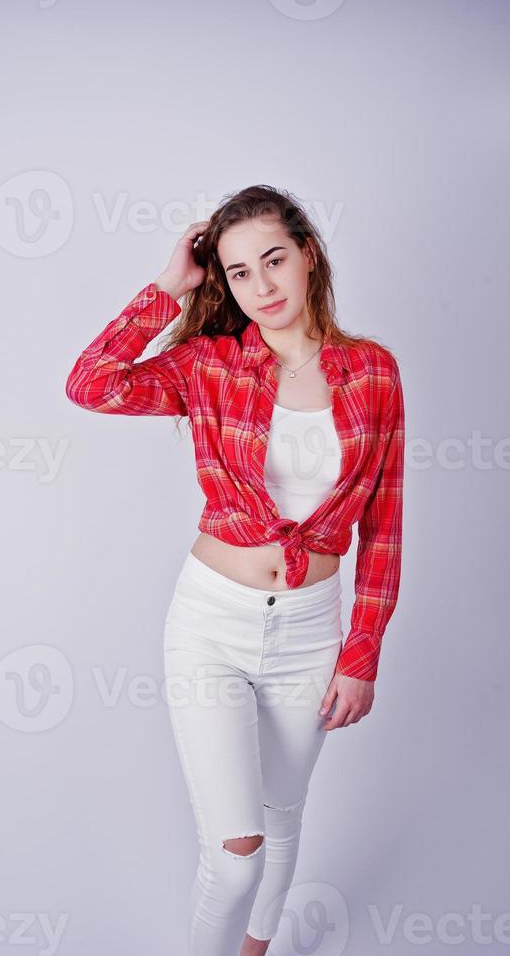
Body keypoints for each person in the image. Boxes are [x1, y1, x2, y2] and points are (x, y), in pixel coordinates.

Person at [65, 184, 405, 956]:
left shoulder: (374, 372)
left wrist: (362, 654)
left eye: (274, 259)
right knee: (235, 851)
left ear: (308, 253)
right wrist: (164, 292)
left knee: (284, 816)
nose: (263, 286)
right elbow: (92, 385)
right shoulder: (208, 366)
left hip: (312, 632)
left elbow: (384, 526)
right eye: (241, 272)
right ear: (221, 280)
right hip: (210, 624)